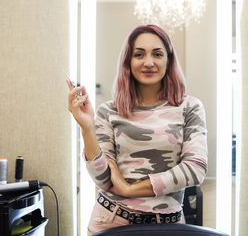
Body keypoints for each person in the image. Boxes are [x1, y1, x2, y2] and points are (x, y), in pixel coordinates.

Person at [67, 24, 208, 235]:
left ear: (168, 60)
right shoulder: (109, 111)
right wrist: (87, 128)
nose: (148, 62)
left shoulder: (189, 107)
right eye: (139, 54)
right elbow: (103, 179)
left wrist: (129, 189)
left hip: (169, 224)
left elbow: (195, 168)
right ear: (128, 62)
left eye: (158, 54)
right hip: (113, 221)